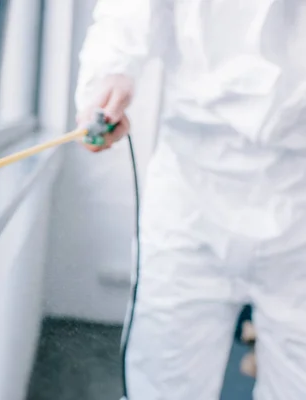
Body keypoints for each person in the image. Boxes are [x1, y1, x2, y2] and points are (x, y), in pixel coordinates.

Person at [74, 1, 306, 399]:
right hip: (190, 190)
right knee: (165, 380)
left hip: (298, 191)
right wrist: (108, 76)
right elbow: (126, 14)